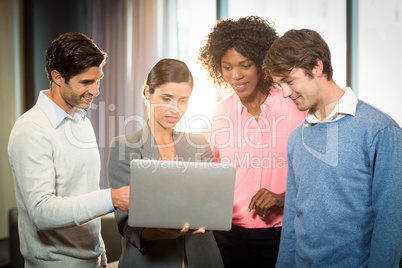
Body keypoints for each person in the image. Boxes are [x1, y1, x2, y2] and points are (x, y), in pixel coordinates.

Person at [263, 28, 402, 267]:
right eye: (279, 84)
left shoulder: (380, 130)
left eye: (289, 81)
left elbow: (392, 221)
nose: (285, 93)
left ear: (317, 67)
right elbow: (293, 219)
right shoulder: (297, 138)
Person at [8, 32, 130, 268]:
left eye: (98, 80)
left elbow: (83, 192)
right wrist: (112, 197)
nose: (95, 91)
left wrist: (101, 254)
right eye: (86, 82)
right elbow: (42, 212)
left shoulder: (80, 119)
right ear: (57, 77)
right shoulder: (31, 130)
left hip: (92, 261)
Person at [198, 16, 307, 267]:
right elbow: (206, 178)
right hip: (225, 235)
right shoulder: (216, 116)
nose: (236, 75)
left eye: (245, 65)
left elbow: (317, 177)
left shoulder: (296, 107)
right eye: (227, 67)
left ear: (260, 62)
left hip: (282, 233)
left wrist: (282, 197)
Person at [107, 58, 224, 268]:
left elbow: (213, 204)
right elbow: (127, 225)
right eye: (167, 98)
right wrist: (162, 232)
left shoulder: (198, 143)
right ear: (147, 93)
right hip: (149, 261)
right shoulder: (124, 147)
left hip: (202, 259)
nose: (175, 109)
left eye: (182, 100)